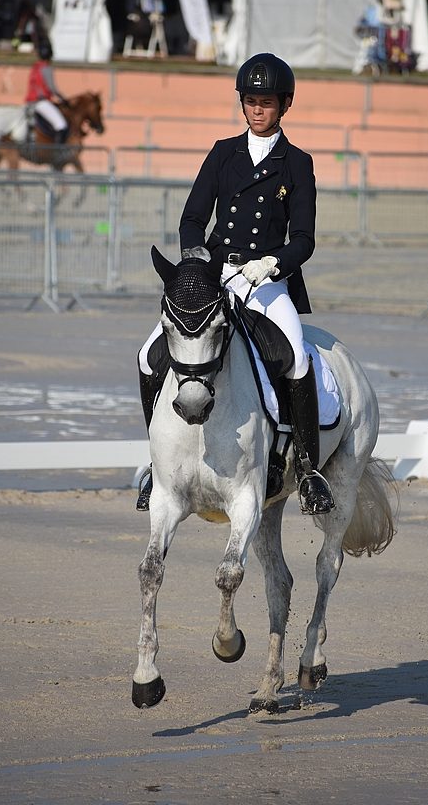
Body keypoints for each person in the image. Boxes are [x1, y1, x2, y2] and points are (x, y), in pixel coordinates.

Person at [136, 52, 335, 516]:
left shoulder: (297, 163)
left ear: (285, 104)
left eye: (266, 102)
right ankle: (154, 465)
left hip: (267, 280)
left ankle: (308, 471)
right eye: (250, 101)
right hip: (216, 276)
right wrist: (197, 262)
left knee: (298, 359)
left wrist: (269, 266)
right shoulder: (223, 152)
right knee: (148, 355)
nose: (257, 109)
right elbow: (192, 219)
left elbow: (303, 239)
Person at [24, 41, 69, 144]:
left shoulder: (35, 67)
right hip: (40, 102)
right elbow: (52, 88)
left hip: (29, 102)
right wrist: (63, 99)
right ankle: (58, 151)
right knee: (61, 125)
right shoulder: (46, 68)